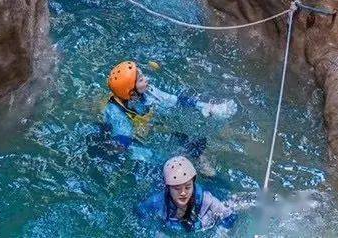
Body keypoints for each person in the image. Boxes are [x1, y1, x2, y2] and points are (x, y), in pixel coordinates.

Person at [103, 62, 236, 152]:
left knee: (195, 141)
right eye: (142, 79)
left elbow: (174, 100)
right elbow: (123, 143)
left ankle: (197, 157)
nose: (147, 79)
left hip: (147, 121)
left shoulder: (147, 91)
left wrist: (205, 106)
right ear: (132, 93)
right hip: (131, 130)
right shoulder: (116, 113)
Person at [138, 156, 246, 231]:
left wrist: (221, 232)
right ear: (168, 188)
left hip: (214, 194)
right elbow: (140, 212)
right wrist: (155, 232)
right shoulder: (157, 201)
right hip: (179, 222)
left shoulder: (205, 199)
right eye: (177, 188)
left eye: (188, 187)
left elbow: (229, 217)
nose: (183, 193)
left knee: (233, 202)